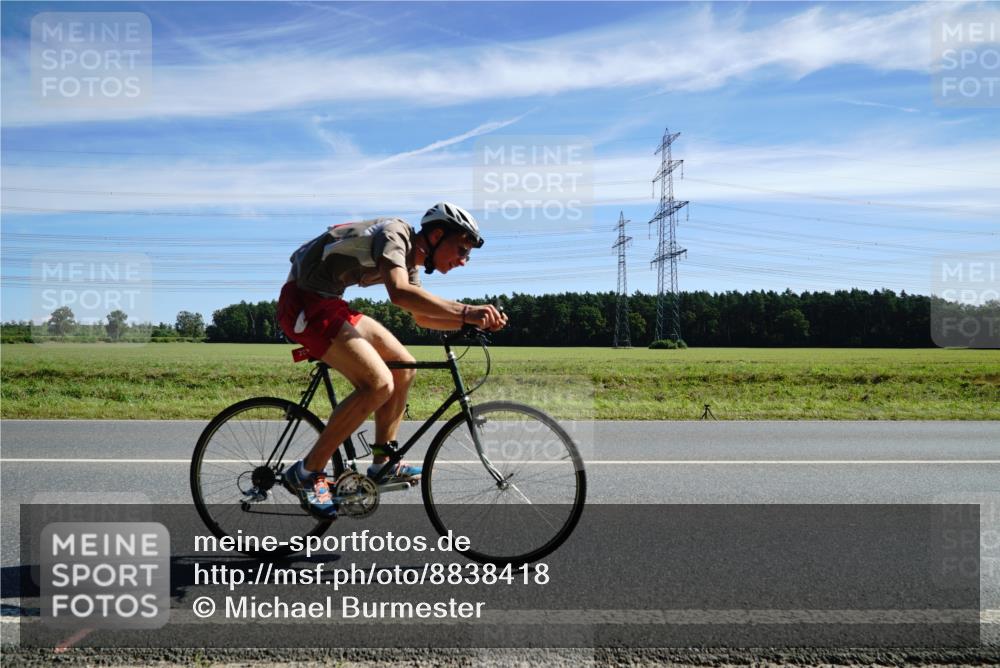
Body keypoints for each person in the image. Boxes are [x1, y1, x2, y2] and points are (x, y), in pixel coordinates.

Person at [276, 202, 507, 518]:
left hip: (329, 302)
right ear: (437, 234)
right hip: (304, 302)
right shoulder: (395, 233)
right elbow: (399, 293)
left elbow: (421, 315)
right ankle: (305, 473)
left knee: (404, 365)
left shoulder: (410, 257)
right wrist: (467, 311)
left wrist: (470, 322)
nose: (464, 261)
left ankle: (383, 462)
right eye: (462, 249)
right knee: (378, 384)